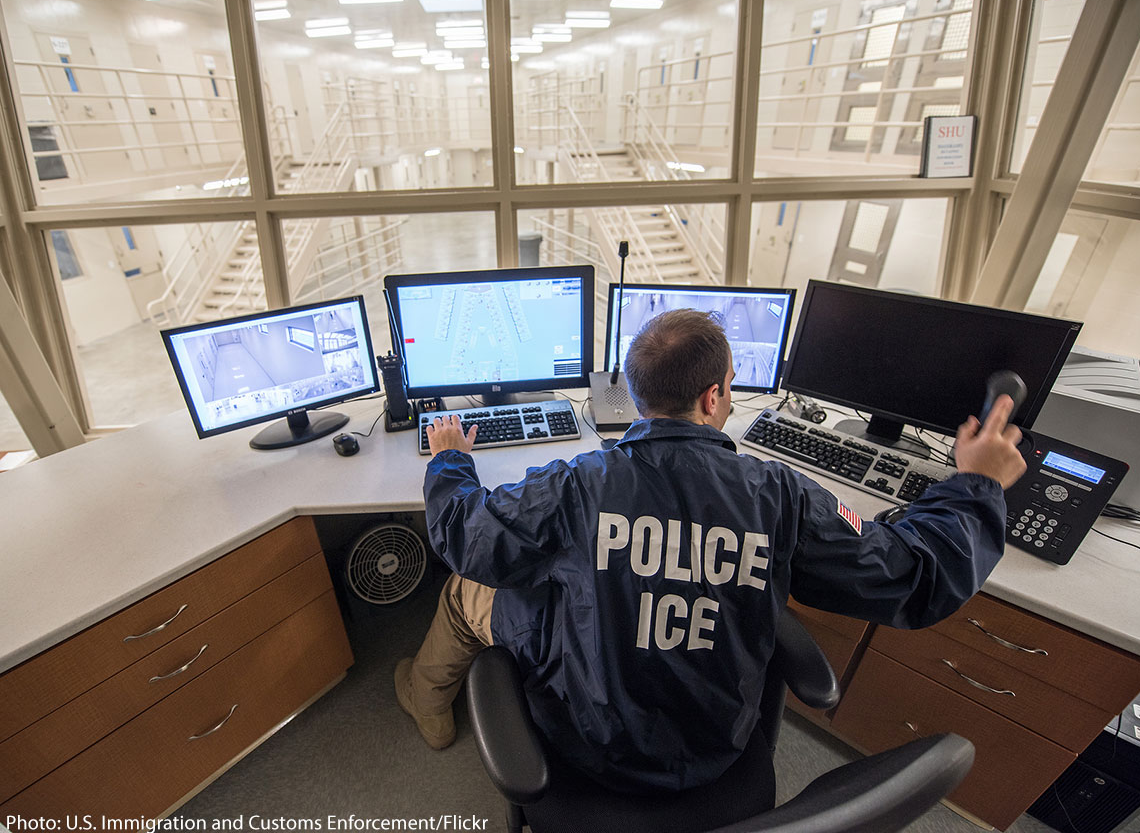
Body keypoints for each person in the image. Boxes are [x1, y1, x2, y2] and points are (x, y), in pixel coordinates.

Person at [395, 309, 1025, 792]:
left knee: (465, 590)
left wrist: (451, 459)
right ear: (715, 397)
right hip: (719, 750)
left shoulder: (577, 483)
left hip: (587, 744)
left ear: (637, 397)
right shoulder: (780, 496)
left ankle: (423, 696)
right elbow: (915, 576)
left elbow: (462, 535)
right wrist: (976, 486)